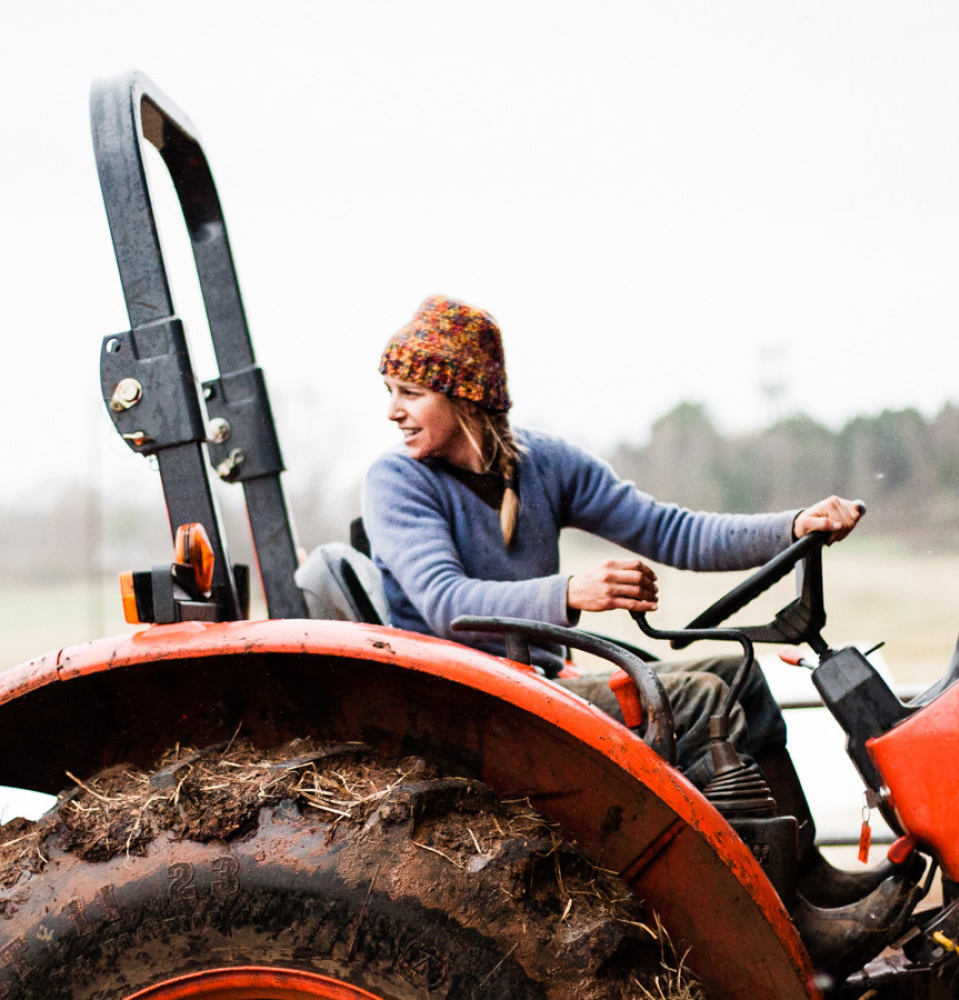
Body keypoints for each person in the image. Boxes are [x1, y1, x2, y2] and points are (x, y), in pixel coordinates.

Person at [360, 294, 887, 910]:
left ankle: (808, 877)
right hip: (471, 699)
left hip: (534, 681)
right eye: (390, 392)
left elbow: (670, 530)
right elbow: (448, 604)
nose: (393, 412)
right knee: (695, 699)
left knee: (735, 673)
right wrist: (571, 593)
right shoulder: (396, 482)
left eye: (410, 392)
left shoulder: (542, 464)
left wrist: (792, 526)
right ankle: (766, 910)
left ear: (463, 393)